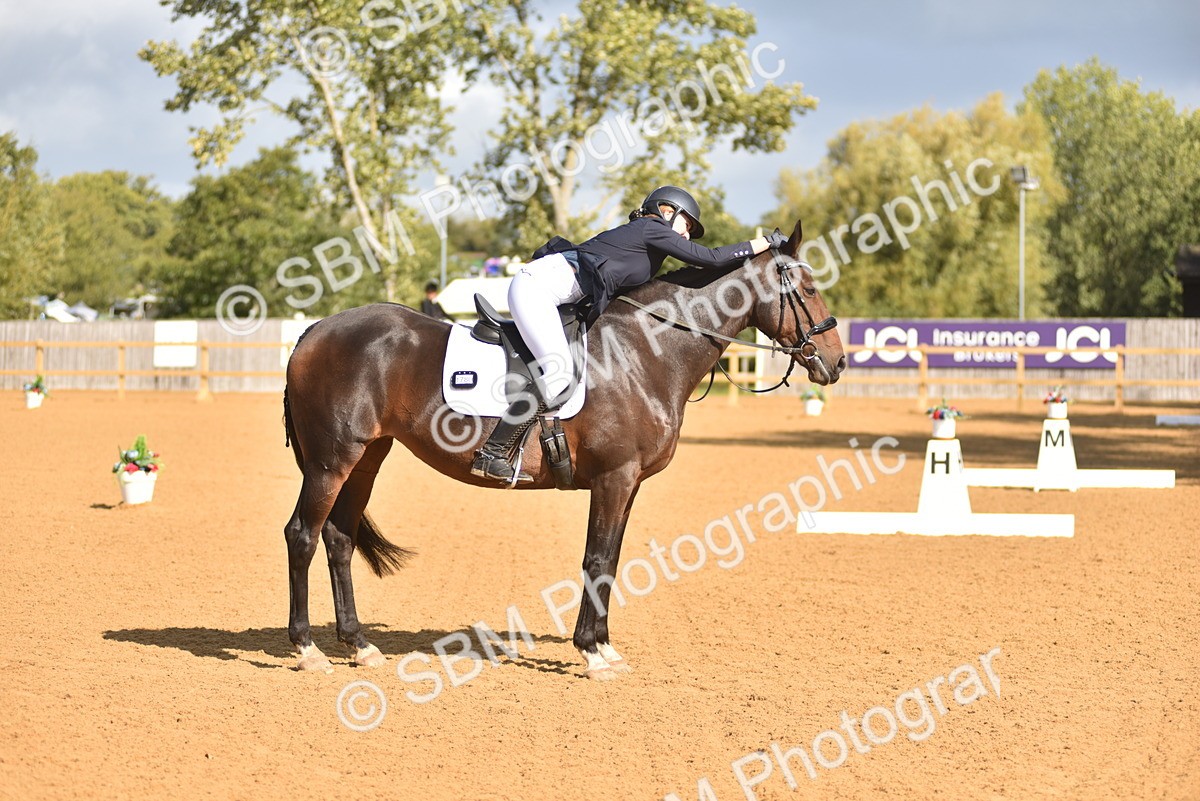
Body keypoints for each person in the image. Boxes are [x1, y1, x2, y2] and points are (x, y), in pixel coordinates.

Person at [470, 185, 788, 484]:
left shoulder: (649, 247)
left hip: (556, 294)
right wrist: (766, 242)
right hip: (537, 288)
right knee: (559, 371)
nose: (687, 232)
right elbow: (712, 258)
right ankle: (492, 452)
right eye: (687, 223)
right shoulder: (652, 229)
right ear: (666, 211)